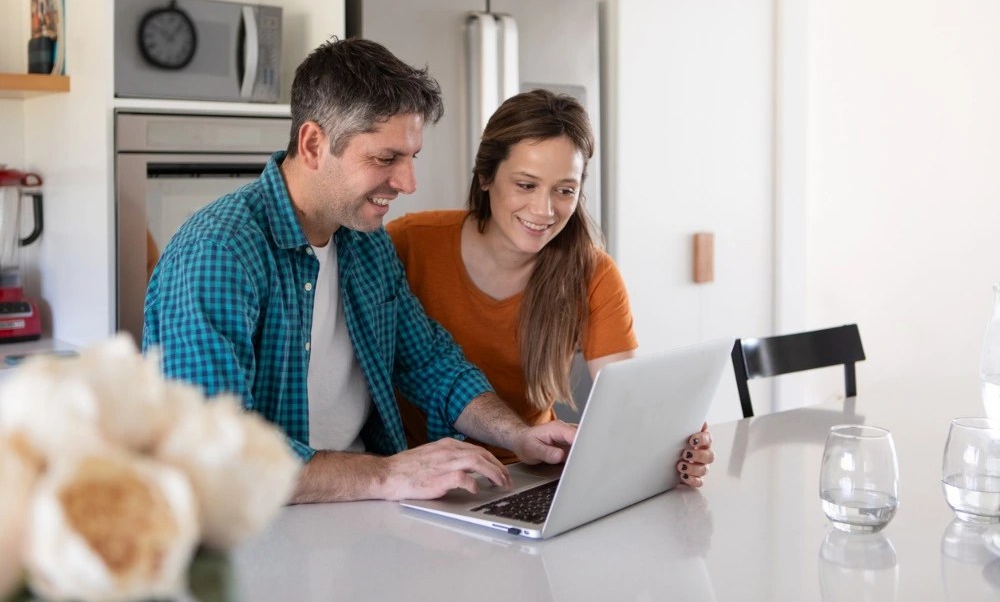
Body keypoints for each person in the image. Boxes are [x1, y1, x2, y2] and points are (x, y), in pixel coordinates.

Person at [143, 38, 578, 504]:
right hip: (267, 525)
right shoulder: (218, 252)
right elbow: (212, 452)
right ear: (313, 144)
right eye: (385, 159)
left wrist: (517, 435)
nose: (408, 183)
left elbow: (429, 363)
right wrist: (387, 474)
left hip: (361, 514)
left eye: (412, 158)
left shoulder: (365, 242)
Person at [387, 90, 714, 487]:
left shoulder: (592, 274)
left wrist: (672, 445)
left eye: (564, 190)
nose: (544, 211)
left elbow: (626, 400)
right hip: (417, 474)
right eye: (526, 185)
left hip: (528, 472)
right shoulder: (408, 243)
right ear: (486, 176)